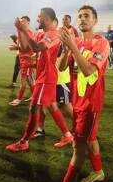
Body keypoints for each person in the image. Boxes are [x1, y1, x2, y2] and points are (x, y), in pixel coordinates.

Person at [55, 5, 109, 182]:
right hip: (76, 101)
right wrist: (65, 48)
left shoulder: (101, 43)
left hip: (90, 104)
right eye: (80, 16)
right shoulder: (75, 42)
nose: (82, 19)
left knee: (78, 148)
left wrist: (72, 47)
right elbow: (61, 68)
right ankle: (98, 171)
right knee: (90, 138)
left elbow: (88, 70)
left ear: (95, 20)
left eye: (87, 16)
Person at [5, 8, 73, 152]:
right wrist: (20, 30)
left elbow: (36, 47)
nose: (37, 19)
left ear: (47, 19)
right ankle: (67, 135)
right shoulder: (42, 34)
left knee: (34, 108)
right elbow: (25, 49)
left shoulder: (54, 34)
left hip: (47, 77)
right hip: (43, 76)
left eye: (39, 16)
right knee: (52, 106)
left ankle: (24, 141)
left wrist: (23, 28)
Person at [8, 16, 35, 106]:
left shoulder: (29, 33)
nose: (22, 23)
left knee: (23, 81)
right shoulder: (22, 32)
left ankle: (18, 99)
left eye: (24, 21)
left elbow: (26, 48)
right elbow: (21, 46)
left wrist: (19, 30)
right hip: (22, 59)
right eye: (21, 21)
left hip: (27, 60)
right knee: (29, 80)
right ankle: (35, 96)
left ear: (28, 23)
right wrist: (16, 46)